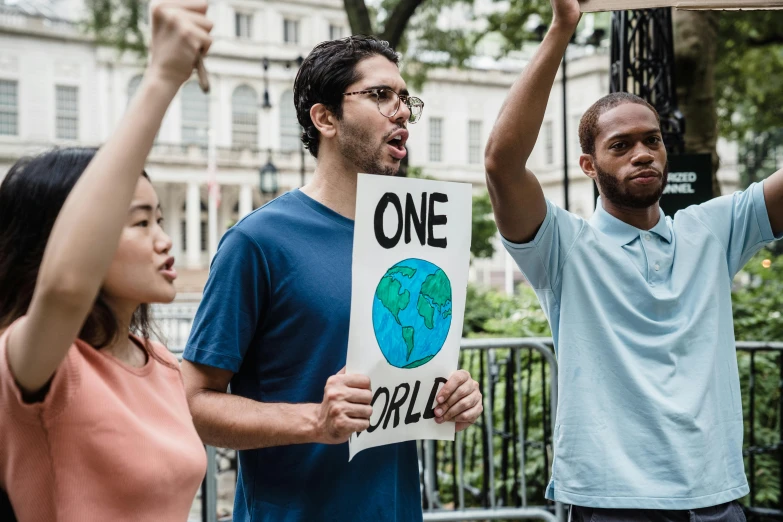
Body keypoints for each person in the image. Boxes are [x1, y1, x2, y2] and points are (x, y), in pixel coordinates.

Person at [484, 0, 783, 520]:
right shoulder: (564, 247)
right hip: (610, 503)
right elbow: (501, 162)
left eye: (652, 140)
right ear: (588, 165)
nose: (642, 153)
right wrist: (562, 28)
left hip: (716, 499)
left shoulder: (710, 229)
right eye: (620, 145)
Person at [180, 35, 484, 522]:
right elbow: (192, 402)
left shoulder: (415, 240)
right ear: (325, 119)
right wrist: (313, 421)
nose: (402, 111)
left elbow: (407, 376)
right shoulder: (257, 241)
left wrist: (453, 397)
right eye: (381, 95)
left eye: (405, 98)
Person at [0, 1, 214, 519]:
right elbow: (66, 287)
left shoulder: (162, 365)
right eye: (139, 222)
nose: (165, 241)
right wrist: (163, 77)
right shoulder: (39, 363)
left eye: (160, 219)